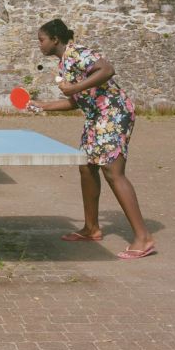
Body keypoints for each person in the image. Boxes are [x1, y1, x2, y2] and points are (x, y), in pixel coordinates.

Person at [28, 18, 156, 260]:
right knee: (86, 167)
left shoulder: (77, 52)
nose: (39, 45)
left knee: (112, 171)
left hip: (114, 113)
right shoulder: (65, 64)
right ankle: (91, 228)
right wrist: (42, 105)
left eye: (41, 40)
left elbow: (107, 70)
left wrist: (74, 88)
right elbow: (75, 101)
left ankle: (143, 237)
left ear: (55, 39)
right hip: (96, 116)